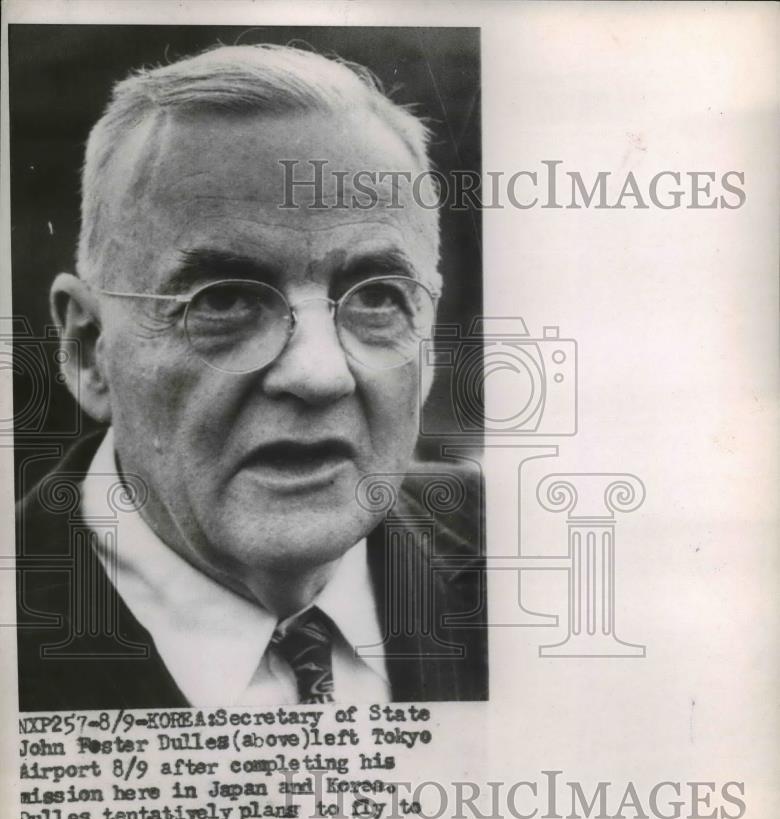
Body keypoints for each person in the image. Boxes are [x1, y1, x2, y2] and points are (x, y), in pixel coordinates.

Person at [15, 43, 487, 710]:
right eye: (226, 301)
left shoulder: (522, 565)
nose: (319, 376)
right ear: (90, 350)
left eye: (379, 298)